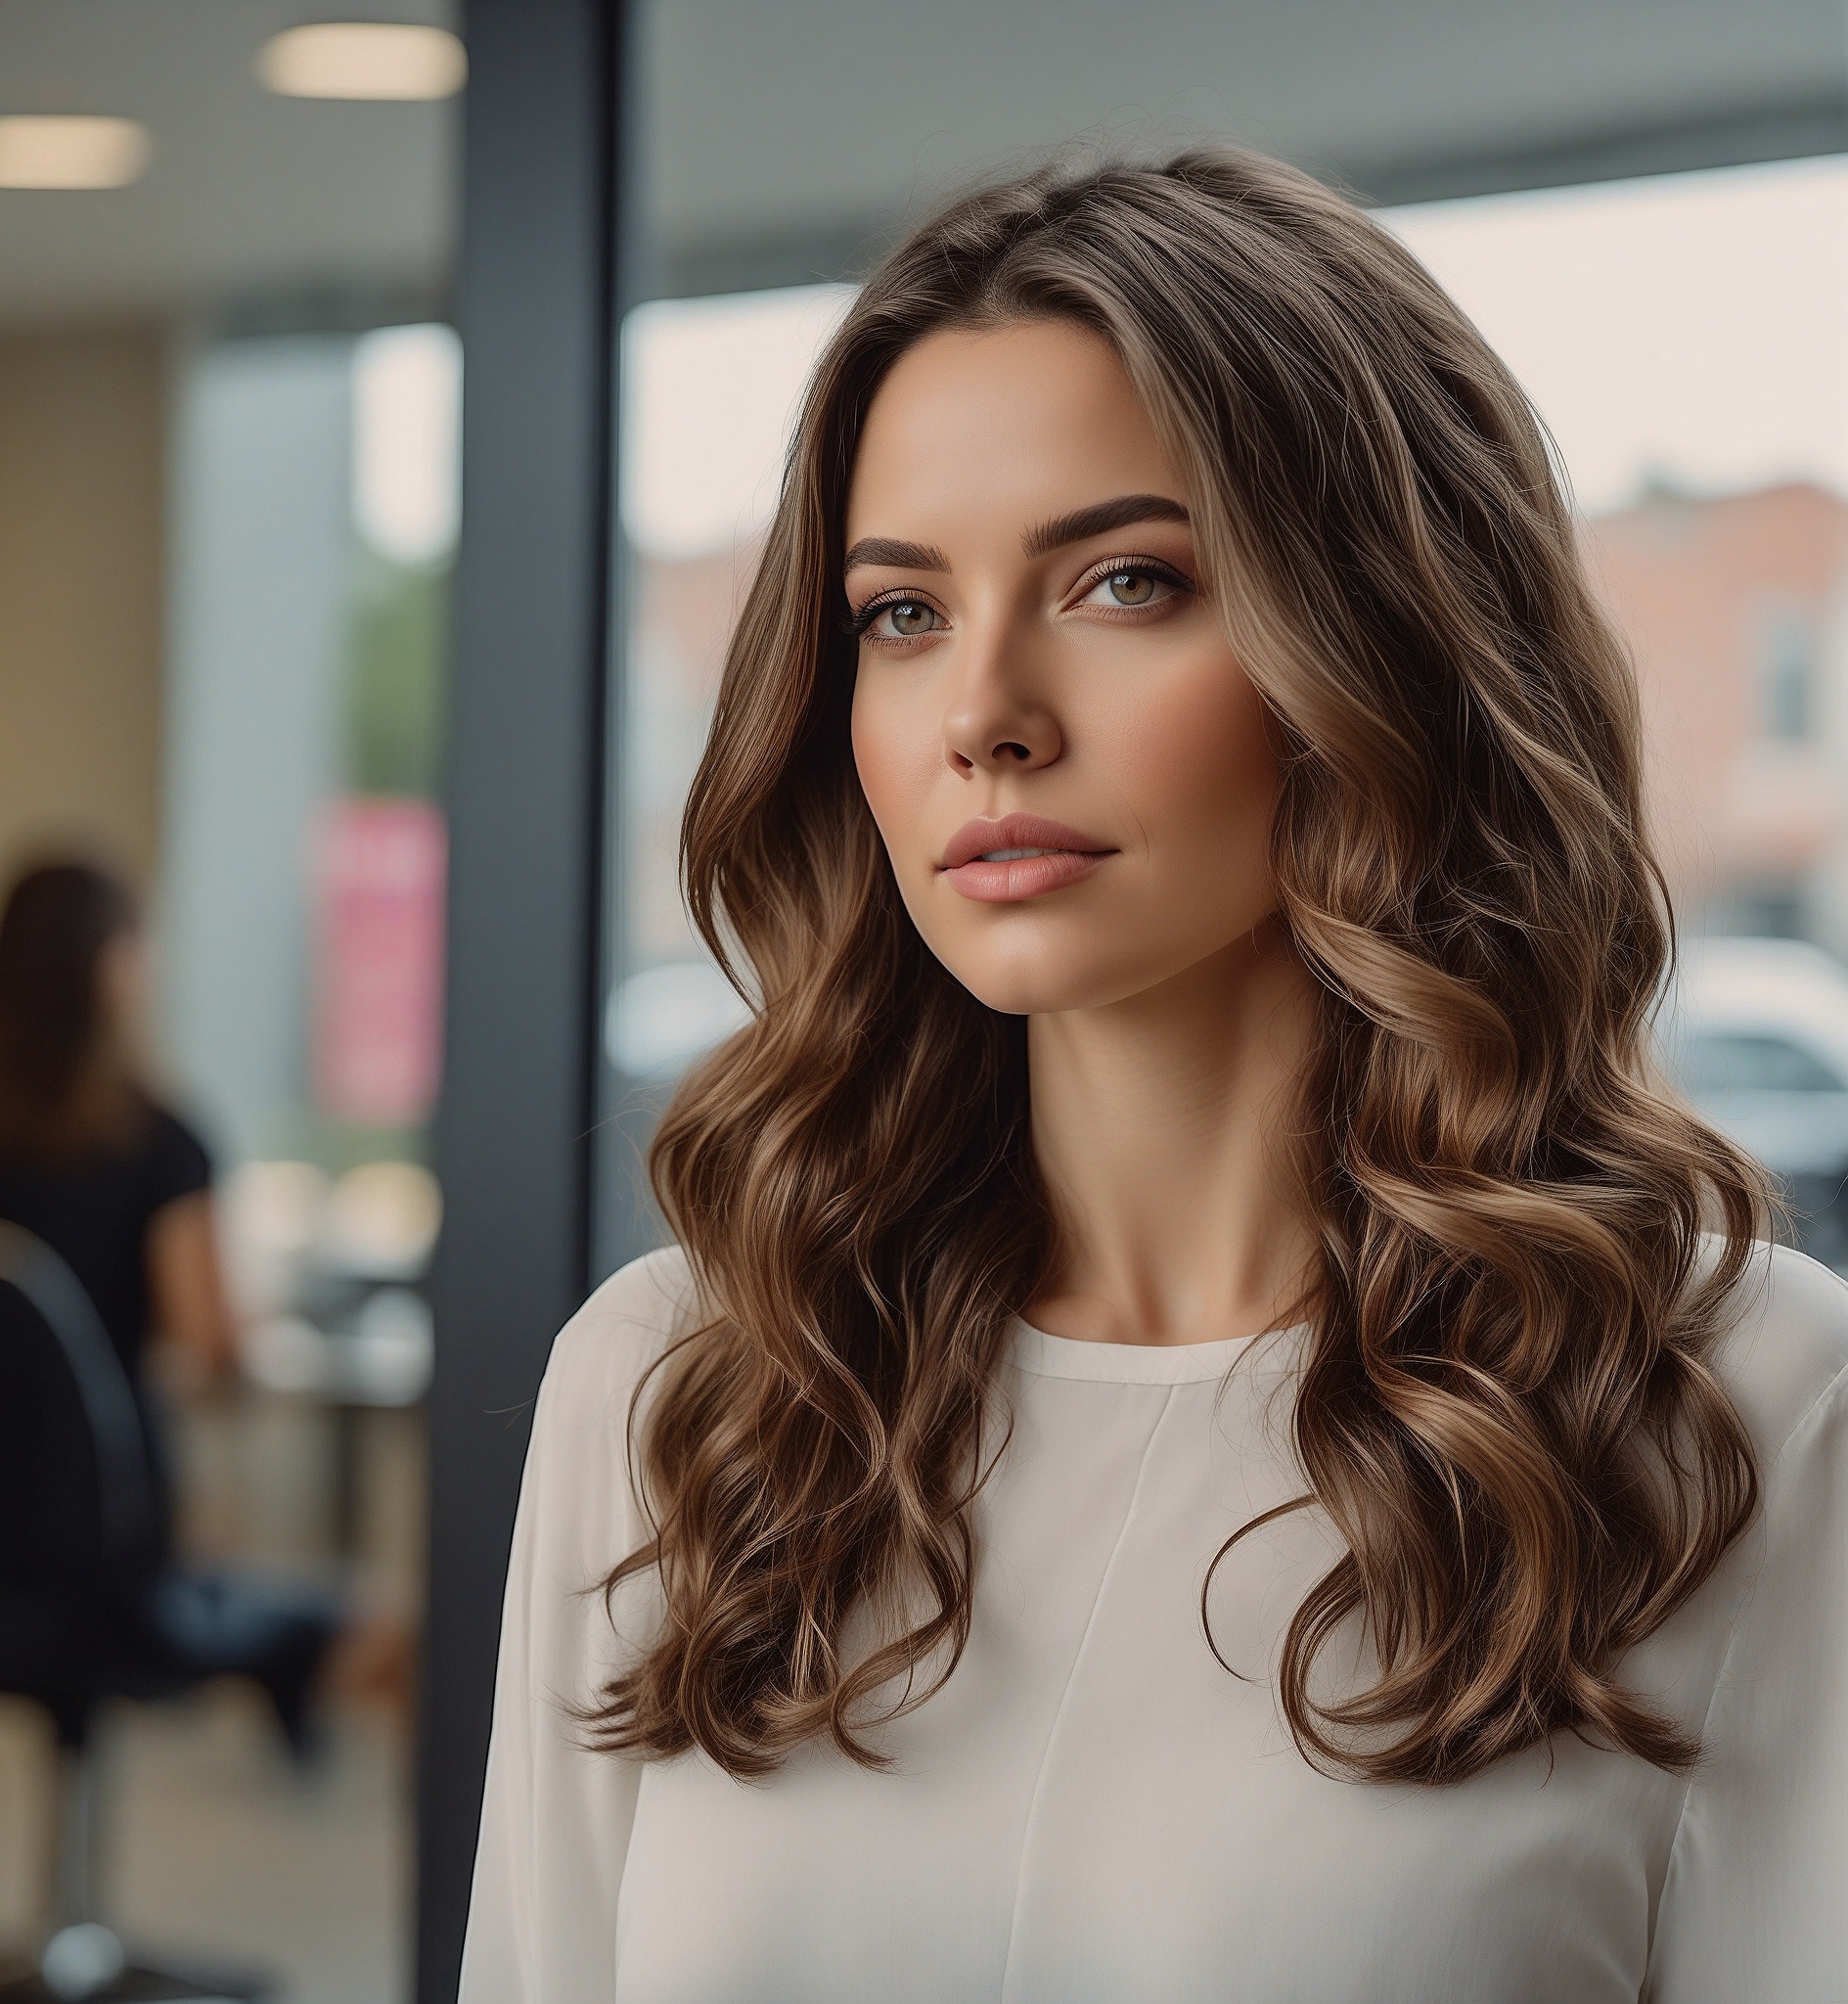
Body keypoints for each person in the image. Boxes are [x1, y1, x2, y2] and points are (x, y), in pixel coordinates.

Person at [461, 154, 1848, 2002]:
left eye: (1125, 581)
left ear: (1376, 641)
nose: (985, 713)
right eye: (901, 612)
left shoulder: (1740, 1414)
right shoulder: (681, 1395)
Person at [0, 858, 337, 1753]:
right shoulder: (158, 1139)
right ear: (109, 967)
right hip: (106, 1557)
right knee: (344, 1612)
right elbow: (212, 1346)